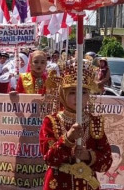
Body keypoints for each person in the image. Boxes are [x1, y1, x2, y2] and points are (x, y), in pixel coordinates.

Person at [39, 59, 112, 190]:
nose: (78, 97)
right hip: (58, 184)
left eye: (83, 92)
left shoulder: (94, 122)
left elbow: (106, 162)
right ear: (63, 93)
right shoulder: (51, 121)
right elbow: (49, 158)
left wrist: (88, 156)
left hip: (87, 185)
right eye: (72, 92)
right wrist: (67, 139)